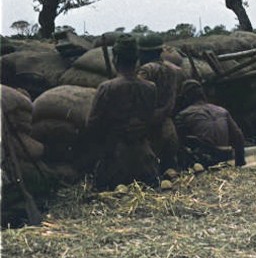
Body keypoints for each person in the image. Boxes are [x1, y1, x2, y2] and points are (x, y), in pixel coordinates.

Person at [86, 35, 159, 190]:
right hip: (146, 164)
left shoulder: (107, 88)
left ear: (116, 59)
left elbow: (92, 125)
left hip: (115, 165)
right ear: (137, 60)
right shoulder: (151, 88)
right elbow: (150, 121)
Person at [174, 80, 247, 167]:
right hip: (225, 156)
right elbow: (238, 136)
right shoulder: (222, 110)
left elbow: (178, 143)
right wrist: (240, 164)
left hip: (204, 160)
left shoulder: (183, 115)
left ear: (185, 98)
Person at [137, 35, 184, 171]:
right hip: (168, 126)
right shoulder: (173, 69)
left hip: (149, 128)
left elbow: (138, 93)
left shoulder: (146, 70)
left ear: (143, 53)